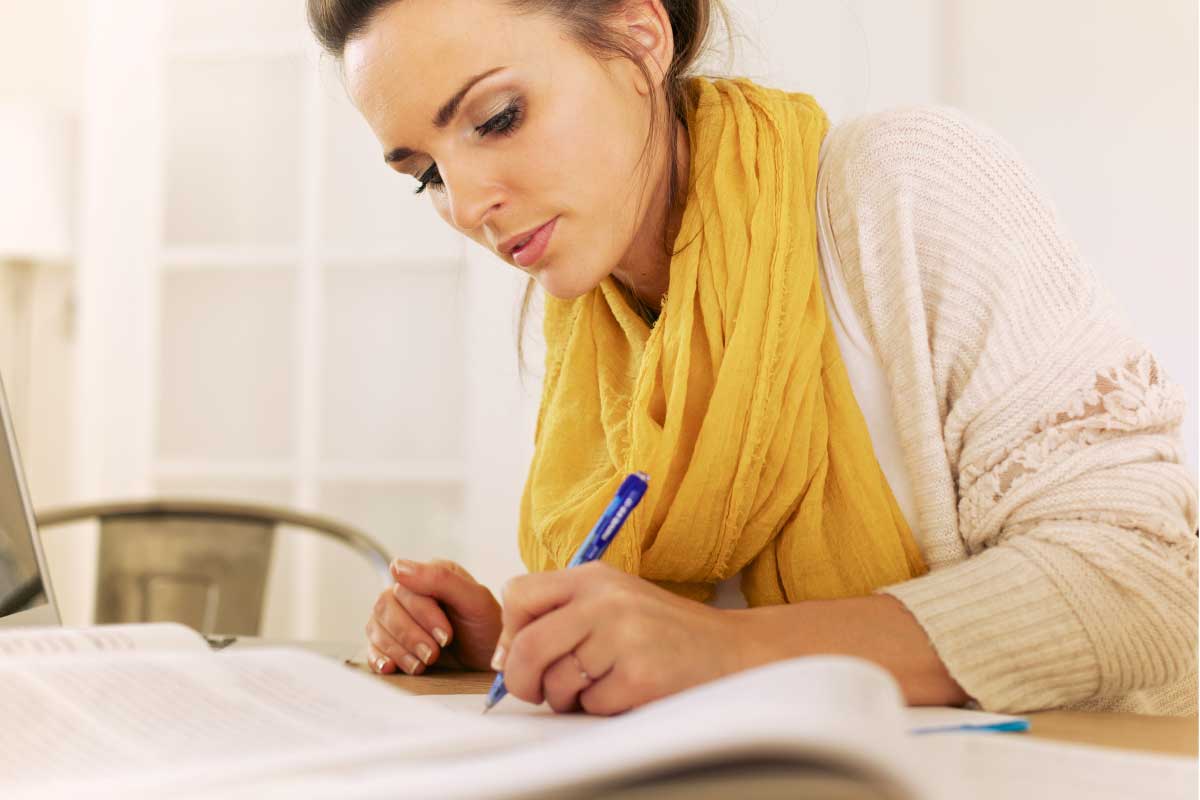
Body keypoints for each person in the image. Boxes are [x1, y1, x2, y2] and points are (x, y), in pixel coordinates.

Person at [307, 0, 1197, 716]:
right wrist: (517, 644)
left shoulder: (903, 184)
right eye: (422, 173)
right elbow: (668, 635)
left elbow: (1149, 588)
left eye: (498, 118)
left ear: (637, 33)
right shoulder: (592, 325)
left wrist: (724, 656)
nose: (466, 206)